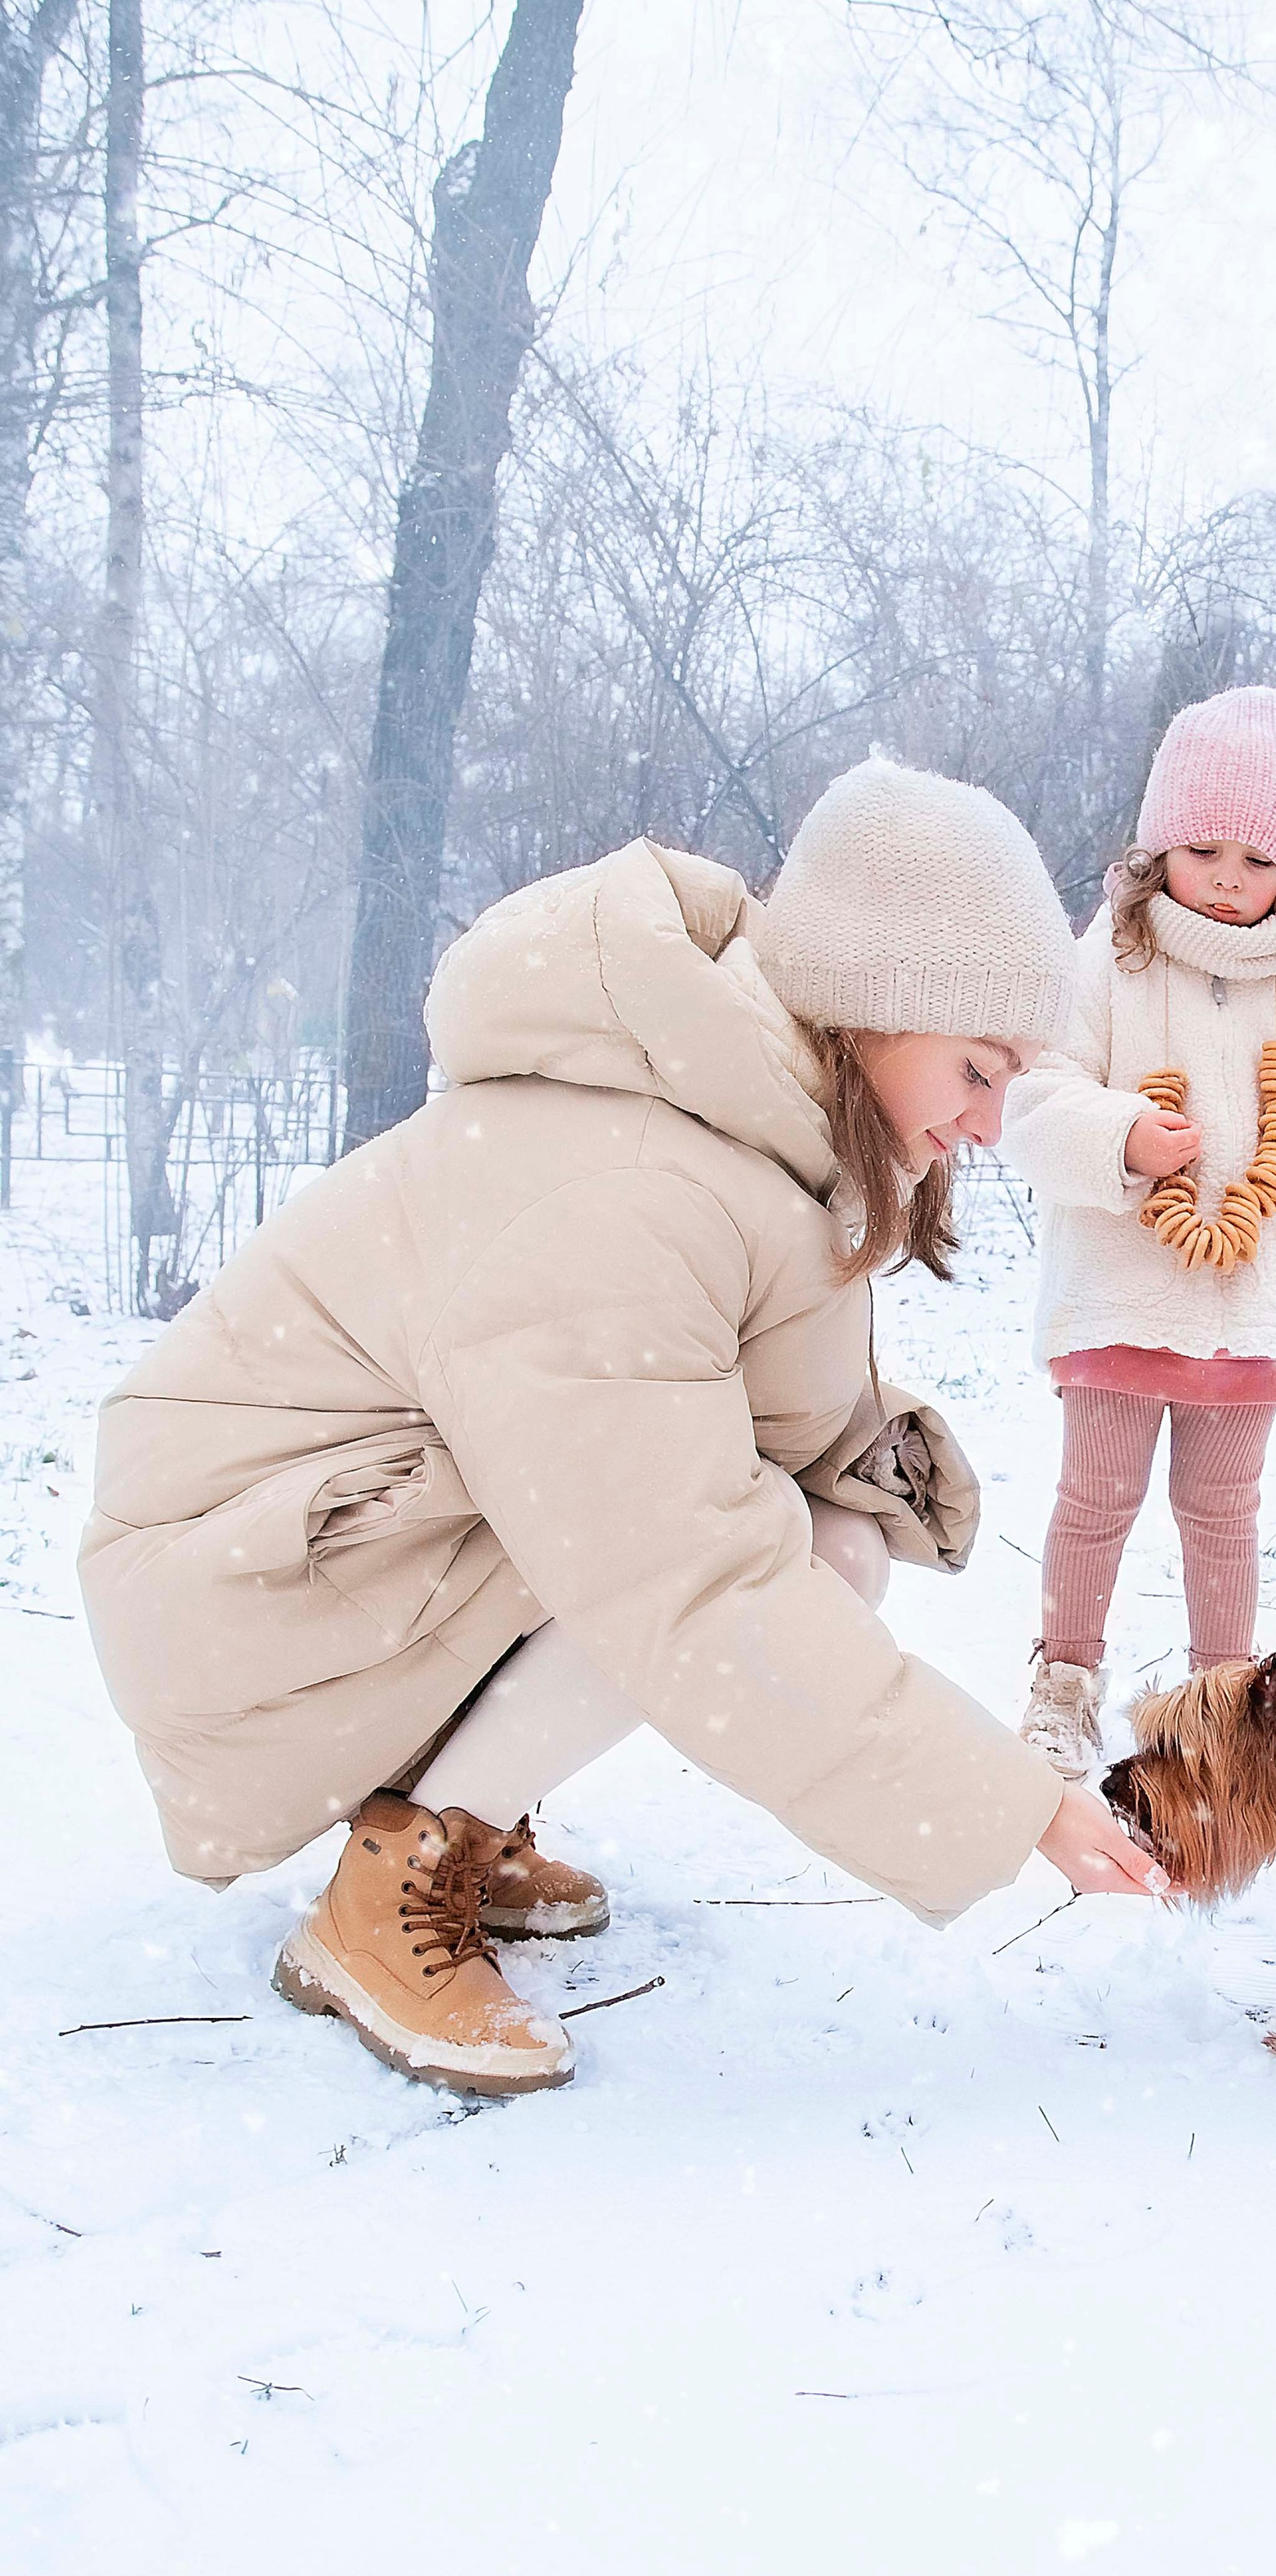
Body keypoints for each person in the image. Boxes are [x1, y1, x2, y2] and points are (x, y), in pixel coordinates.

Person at [79, 760, 1165, 2098]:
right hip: (240, 1585)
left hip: (331, 1543)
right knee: (759, 1551)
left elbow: (721, 1415)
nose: (993, 1126)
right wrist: (1009, 1805)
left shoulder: (739, 1132)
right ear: (876, 1007)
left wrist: (871, 1458)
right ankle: (388, 1893)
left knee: (820, 1537)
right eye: (978, 1070)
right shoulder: (629, 1182)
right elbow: (684, 1571)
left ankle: (462, 1819)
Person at [1002, 687, 1276, 1776]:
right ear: (1160, 849)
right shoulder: (1102, 964)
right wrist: (1122, 1138)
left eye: (1258, 859)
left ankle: (1219, 1713)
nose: (1231, 879)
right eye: (1205, 850)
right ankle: (1064, 1681)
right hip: (1123, 1289)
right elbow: (1032, 1094)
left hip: (1251, 1306)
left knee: (1224, 1514)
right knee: (1095, 1499)